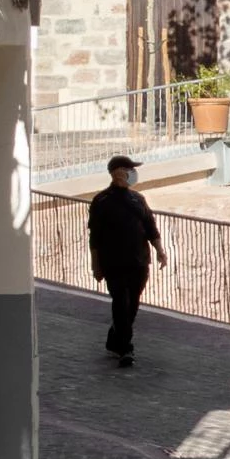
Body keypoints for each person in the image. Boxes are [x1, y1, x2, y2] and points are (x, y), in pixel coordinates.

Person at [87, 155, 167, 367]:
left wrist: (160, 250)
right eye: (129, 169)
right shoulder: (101, 201)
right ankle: (125, 349)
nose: (133, 173)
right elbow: (94, 236)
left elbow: (151, 227)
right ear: (116, 172)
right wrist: (95, 265)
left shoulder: (137, 199)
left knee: (131, 305)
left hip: (139, 262)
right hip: (113, 263)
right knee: (121, 303)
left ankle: (115, 339)